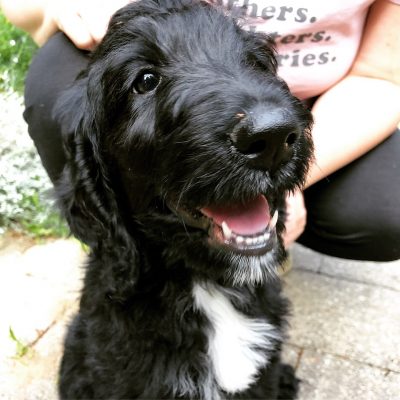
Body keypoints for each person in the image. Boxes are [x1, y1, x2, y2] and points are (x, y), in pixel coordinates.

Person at [1, 0, 399, 261]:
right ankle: (125, 250)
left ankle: (238, 248)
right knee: (56, 90)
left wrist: (286, 185)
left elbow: (381, 76)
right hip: (169, 99)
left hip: (317, 100)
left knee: (386, 208)